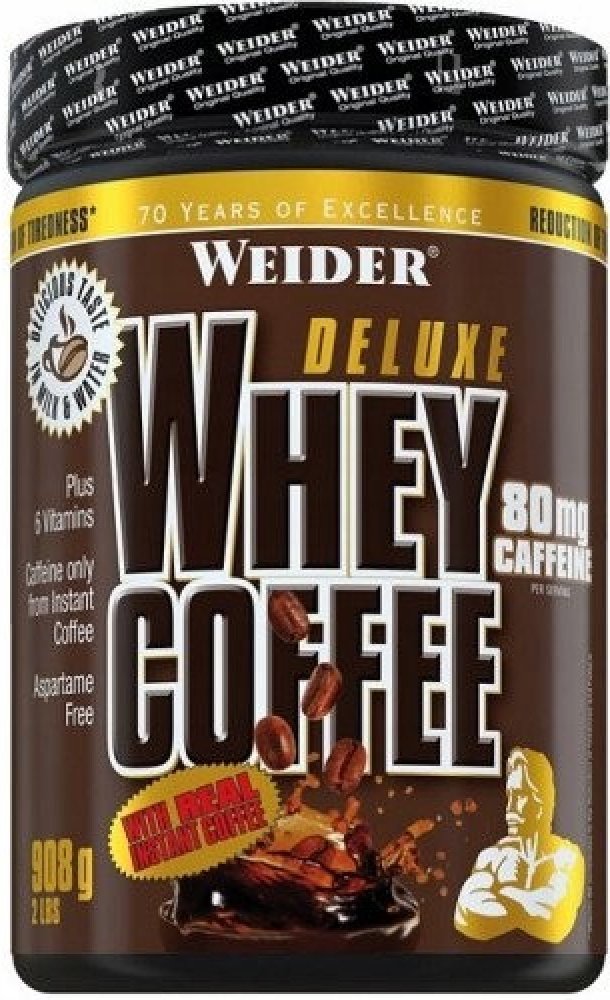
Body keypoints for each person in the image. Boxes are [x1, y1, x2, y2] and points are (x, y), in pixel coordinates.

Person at [454, 747, 584, 943]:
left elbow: (555, 918)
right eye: (510, 795)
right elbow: (466, 913)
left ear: (541, 801)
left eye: (521, 795)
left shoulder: (566, 855)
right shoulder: (492, 856)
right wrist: (529, 903)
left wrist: (505, 892)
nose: (511, 806)